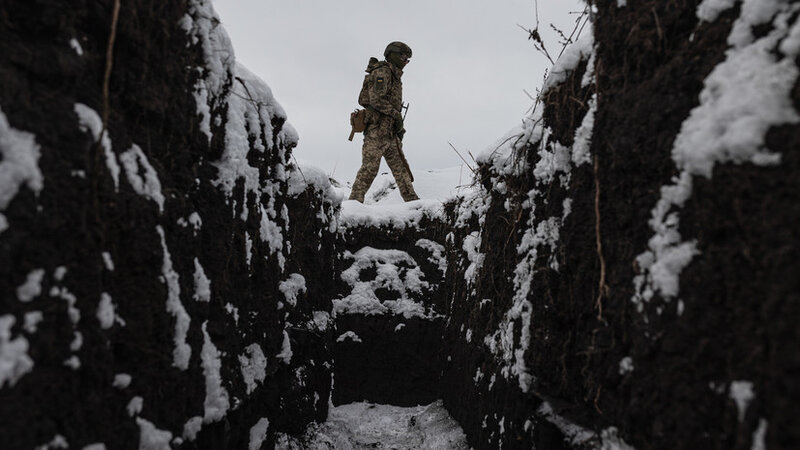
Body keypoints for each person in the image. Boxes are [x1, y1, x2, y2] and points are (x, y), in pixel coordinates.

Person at [349, 41, 419, 203]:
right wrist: (396, 116)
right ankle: (353, 206)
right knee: (369, 170)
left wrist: (398, 127)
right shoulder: (383, 72)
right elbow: (376, 100)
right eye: (403, 57)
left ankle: (414, 204)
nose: (405, 61)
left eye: (407, 59)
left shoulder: (394, 75)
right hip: (376, 131)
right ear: (393, 54)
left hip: (390, 133)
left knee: (401, 170)